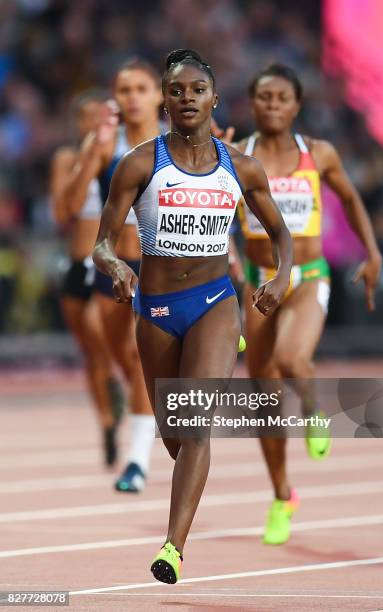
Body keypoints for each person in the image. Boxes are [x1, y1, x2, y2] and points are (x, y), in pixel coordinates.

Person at [93, 48, 293, 584]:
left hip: (214, 302)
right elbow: (102, 244)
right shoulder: (139, 162)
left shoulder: (240, 167)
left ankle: (172, 548)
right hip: (156, 309)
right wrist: (116, 267)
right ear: (165, 100)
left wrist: (280, 277)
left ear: (213, 99)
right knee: (175, 433)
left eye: (196, 90)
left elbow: (281, 235)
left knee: (195, 425)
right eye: (176, 90)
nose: (186, 99)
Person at [233, 64, 382, 545]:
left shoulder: (318, 154)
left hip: (307, 276)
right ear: (252, 104)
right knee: (265, 398)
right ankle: (282, 496)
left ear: (297, 105)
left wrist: (372, 253)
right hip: (259, 281)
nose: (272, 105)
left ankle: (316, 410)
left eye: (281, 98)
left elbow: (352, 198)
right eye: (264, 97)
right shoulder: (237, 157)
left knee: (292, 359)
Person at [65, 59, 162, 492]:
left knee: (139, 358)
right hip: (112, 267)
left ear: (159, 95)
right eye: (124, 89)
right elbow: (70, 207)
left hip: (159, 268)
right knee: (122, 356)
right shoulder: (106, 142)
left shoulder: (178, 141)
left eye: (141, 88)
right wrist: (90, 154)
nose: (133, 97)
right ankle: (147, 416)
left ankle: (137, 461)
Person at [50, 90, 124, 466]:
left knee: (102, 338)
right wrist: (85, 160)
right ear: (78, 123)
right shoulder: (67, 158)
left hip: (107, 265)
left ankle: (119, 389)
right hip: (77, 266)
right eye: (88, 118)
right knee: (92, 356)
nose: (96, 125)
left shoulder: (122, 158)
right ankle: (107, 423)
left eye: (103, 117)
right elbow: (62, 211)